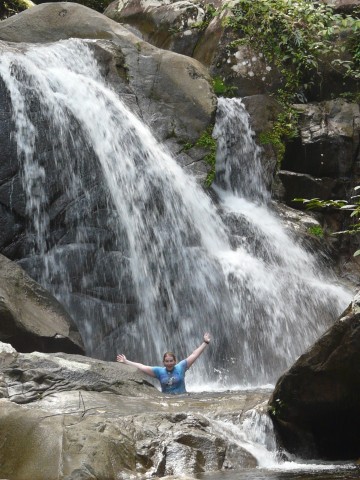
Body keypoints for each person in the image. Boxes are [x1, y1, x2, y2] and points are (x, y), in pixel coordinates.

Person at [116, 332, 211, 394]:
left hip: (182, 399)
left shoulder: (181, 367)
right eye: (167, 361)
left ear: (175, 361)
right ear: (163, 362)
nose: (169, 363)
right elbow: (141, 366)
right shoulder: (158, 371)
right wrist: (126, 361)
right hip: (167, 401)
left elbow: (194, 355)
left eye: (171, 361)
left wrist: (205, 343)